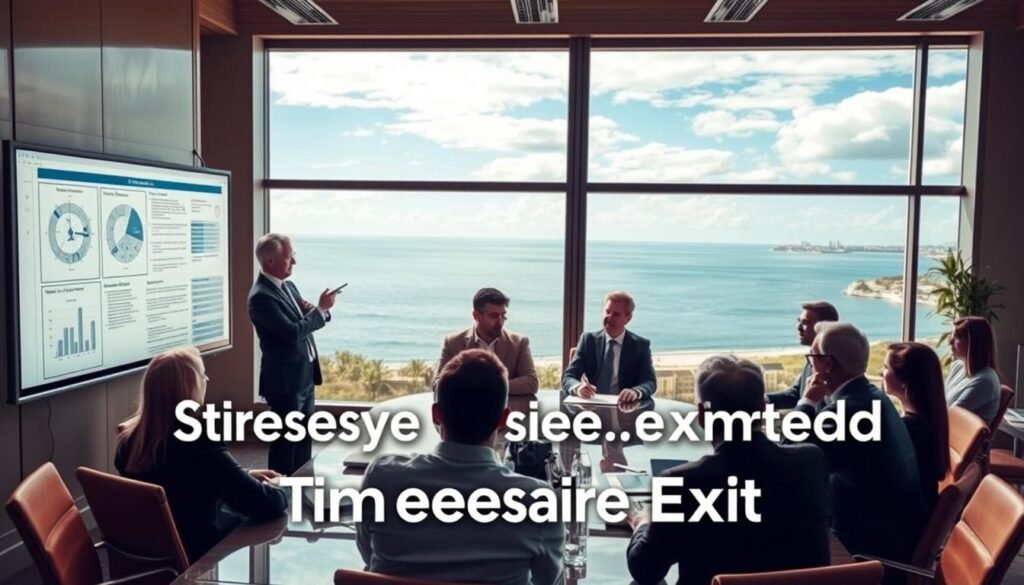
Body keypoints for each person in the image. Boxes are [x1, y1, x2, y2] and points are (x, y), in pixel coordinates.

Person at [357, 349, 563, 585]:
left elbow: (369, 557)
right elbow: (549, 580)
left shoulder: (382, 479)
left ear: (436, 415)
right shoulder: (537, 503)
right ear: (504, 420)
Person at [626, 355, 831, 585]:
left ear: (702, 415)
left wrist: (643, 520)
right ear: (763, 408)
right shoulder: (811, 461)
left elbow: (644, 570)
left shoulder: (682, 482)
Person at [115, 347, 287, 563]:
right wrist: (283, 488)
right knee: (275, 522)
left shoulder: (129, 440)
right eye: (201, 374)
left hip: (150, 551)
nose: (207, 378)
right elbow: (264, 504)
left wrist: (244, 474)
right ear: (188, 387)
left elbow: (181, 478)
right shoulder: (198, 441)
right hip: (197, 551)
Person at [796, 322, 925, 565]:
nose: (809, 364)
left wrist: (806, 402)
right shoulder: (871, 396)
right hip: (891, 532)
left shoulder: (850, 411)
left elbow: (794, 457)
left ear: (828, 364)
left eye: (812, 357)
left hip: (864, 546)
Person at [248, 232, 337, 475]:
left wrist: (318, 311)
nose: (294, 262)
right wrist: (319, 310)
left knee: (304, 440)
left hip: (304, 376)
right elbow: (292, 332)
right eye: (289, 258)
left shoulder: (287, 286)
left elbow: (306, 317)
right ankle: (279, 494)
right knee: (286, 443)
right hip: (285, 383)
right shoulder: (261, 298)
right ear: (270, 263)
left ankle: (298, 488)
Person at [882, 342, 951, 516]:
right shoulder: (927, 421)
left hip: (902, 529)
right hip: (914, 517)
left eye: (885, 367)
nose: (881, 373)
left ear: (905, 382)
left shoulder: (909, 429)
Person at [435, 287, 538, 395]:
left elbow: (531, 382)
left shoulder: (519, 343)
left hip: (505, 410)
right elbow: (438, 383)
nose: (500, 321)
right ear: (476, 316)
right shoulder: (453, 342)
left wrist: (489, 387)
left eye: (503, 315)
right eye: (493, 316)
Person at [562, 291, 656, 402]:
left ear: (628, 318)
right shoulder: (588, 341)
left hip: (625, 409)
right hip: (592, 406)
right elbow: (568, 376)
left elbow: (649, 382)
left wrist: (635, 392)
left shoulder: (640, 346)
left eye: (616, 314)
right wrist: (578, 388)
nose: (609, 317)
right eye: (607, 312)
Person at [767, 301, 839, 408]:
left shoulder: (836, 365)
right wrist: (757, 399)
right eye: (799, 321)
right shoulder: (812, 356)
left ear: (824, 328)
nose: (798, 327)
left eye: (805, 323)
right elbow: (794, 395)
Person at [945, 316, 1002, 426]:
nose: (950, 341)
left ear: (974, 343)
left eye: (956, 337)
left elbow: (951, 417)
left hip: (952, 440)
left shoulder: (985, 382)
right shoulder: (958, 366)